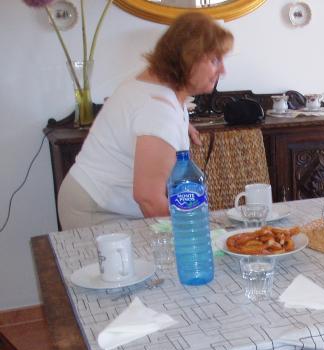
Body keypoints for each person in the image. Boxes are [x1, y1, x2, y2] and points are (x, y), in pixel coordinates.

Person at [57, 12, 233, 230]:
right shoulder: (159, 112)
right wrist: (197, 232)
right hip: (98, 209)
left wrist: (181, 124)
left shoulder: (156, 88)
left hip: (99, 199)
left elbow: (143, 118)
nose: (223, 71)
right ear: (189, 59)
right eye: (215, 60)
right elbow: (148, 198)